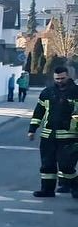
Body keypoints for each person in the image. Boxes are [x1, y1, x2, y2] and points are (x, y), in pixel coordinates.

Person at [27, 64, 78, 197]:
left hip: (70, 136)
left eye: (62, 78)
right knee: (47, 165)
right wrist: (32, 129)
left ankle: (74, 186)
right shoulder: (47, 92)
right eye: (57, 79)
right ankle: (47, 190)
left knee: (66, 166)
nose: (59, 81)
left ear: (68, 76)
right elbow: (39, 111)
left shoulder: (76, 92)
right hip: (48, 136)